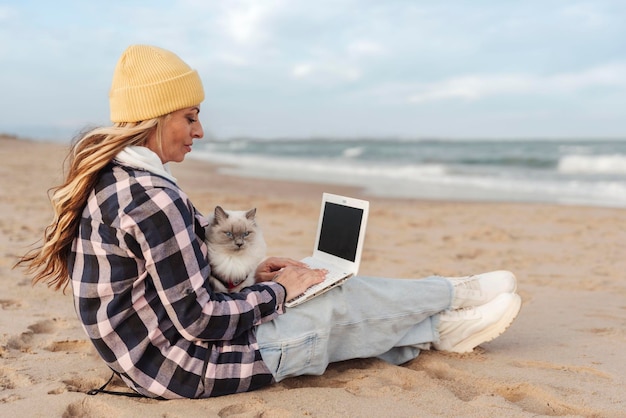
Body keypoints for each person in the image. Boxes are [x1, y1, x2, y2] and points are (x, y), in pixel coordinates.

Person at [16, 45, 522, 400]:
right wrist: (281, 294)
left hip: (146, 356)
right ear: (155, 117)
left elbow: (175, 287)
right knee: (335, 301)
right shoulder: (151, 198)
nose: (200, 130)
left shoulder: (116, 178)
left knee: (319, 295)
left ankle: (439, 327)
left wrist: (252, 280)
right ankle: (454, 296)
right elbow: (199, 320)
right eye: (189, 117)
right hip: (182, 367)